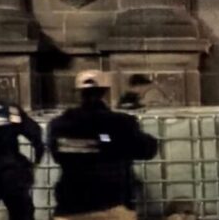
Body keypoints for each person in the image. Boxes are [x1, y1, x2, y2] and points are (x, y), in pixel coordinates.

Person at [48, 70, 158, 220]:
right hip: (114, 206)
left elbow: (56, 155)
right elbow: (147, 150)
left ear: (77, 93)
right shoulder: (121, 122)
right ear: (106, 92)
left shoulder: (59, 125)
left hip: (71, 206)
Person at [0, 72, 44, 220]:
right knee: (21, 213)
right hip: (11, 172)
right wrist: (36, 161)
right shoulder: (11, 110)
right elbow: (36, 135)